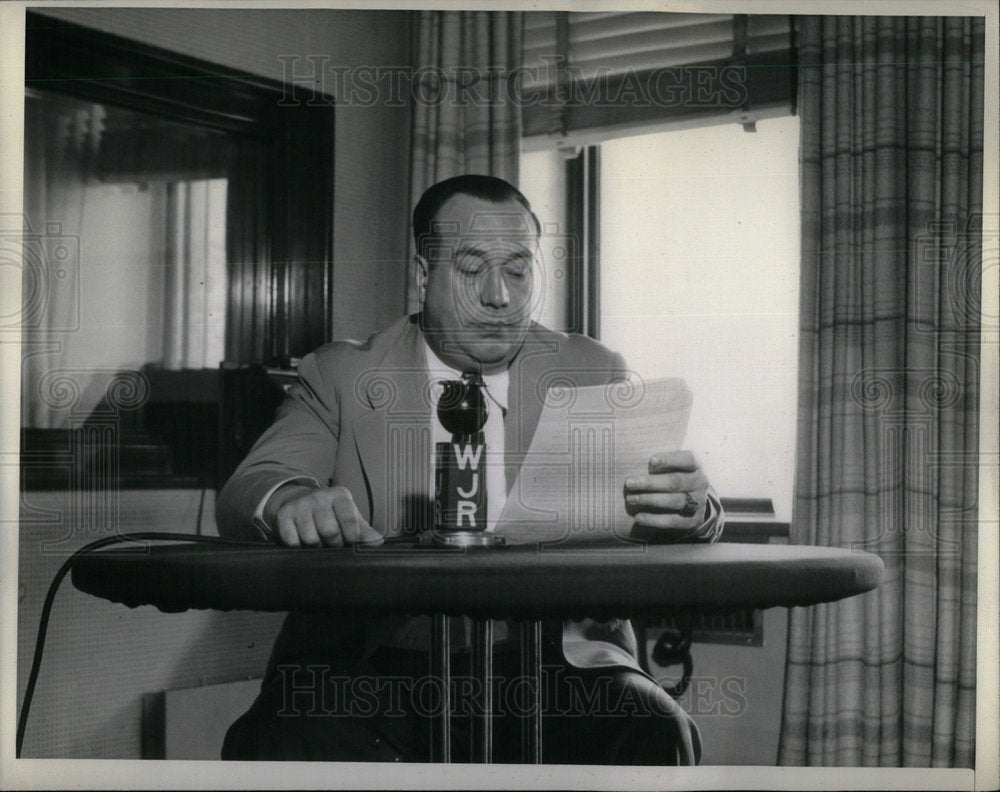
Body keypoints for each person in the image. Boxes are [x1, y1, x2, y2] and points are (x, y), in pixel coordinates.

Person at [217, 174, 724, 764]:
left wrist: (692, 507)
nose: (499, 296)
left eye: (518, 269)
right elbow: (252, 487)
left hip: (556, 668)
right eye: (472, 267)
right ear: (424, 274)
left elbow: (679, 507)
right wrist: (289, 500)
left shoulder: (591, 368)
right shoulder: (341, 376)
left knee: (653, 725)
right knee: (288, 736)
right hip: (375, 669)